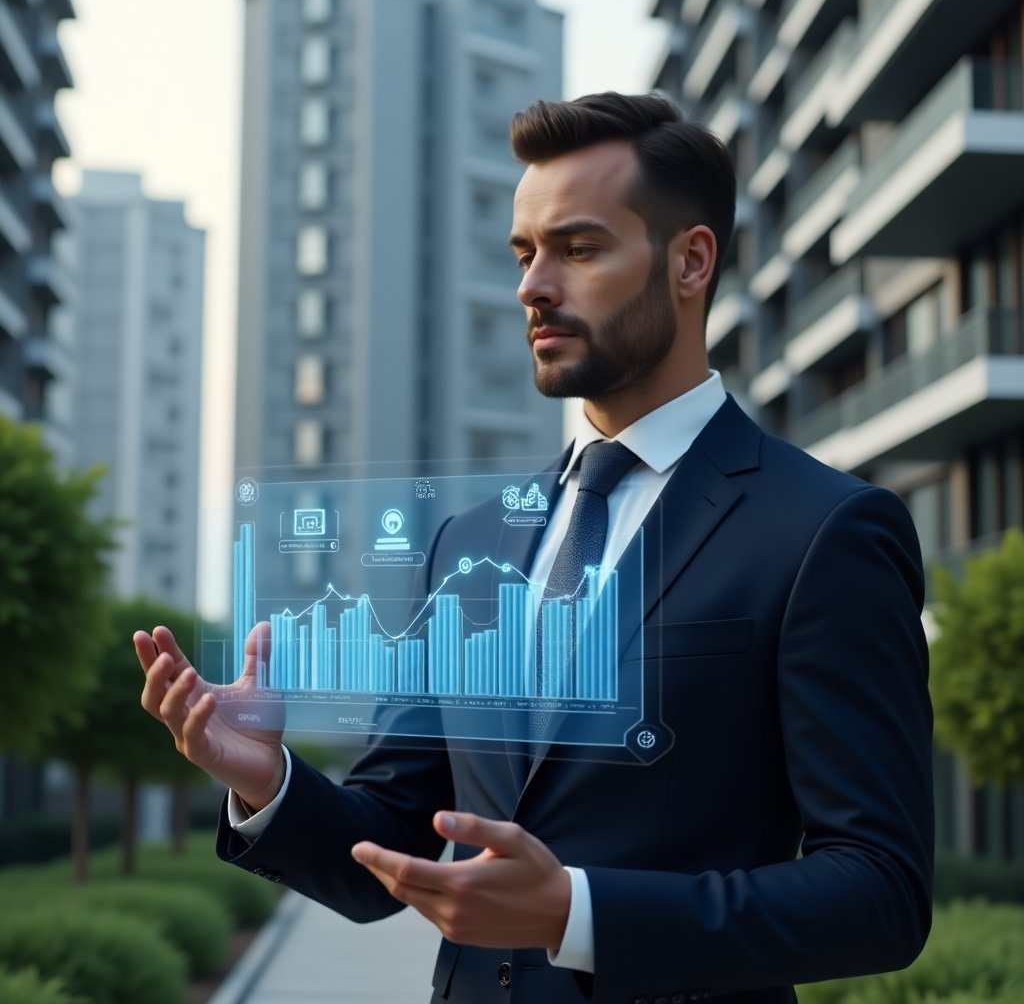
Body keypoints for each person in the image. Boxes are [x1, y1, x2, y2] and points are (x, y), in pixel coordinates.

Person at [136, 92, 933, 1004]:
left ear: (691, 260)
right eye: (524, 253)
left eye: (578, 249)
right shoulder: (468, 544)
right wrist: (266, 780)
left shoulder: (822, 529)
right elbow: (382, 853)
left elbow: (881, 891)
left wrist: (575, 914)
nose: (531, 286)